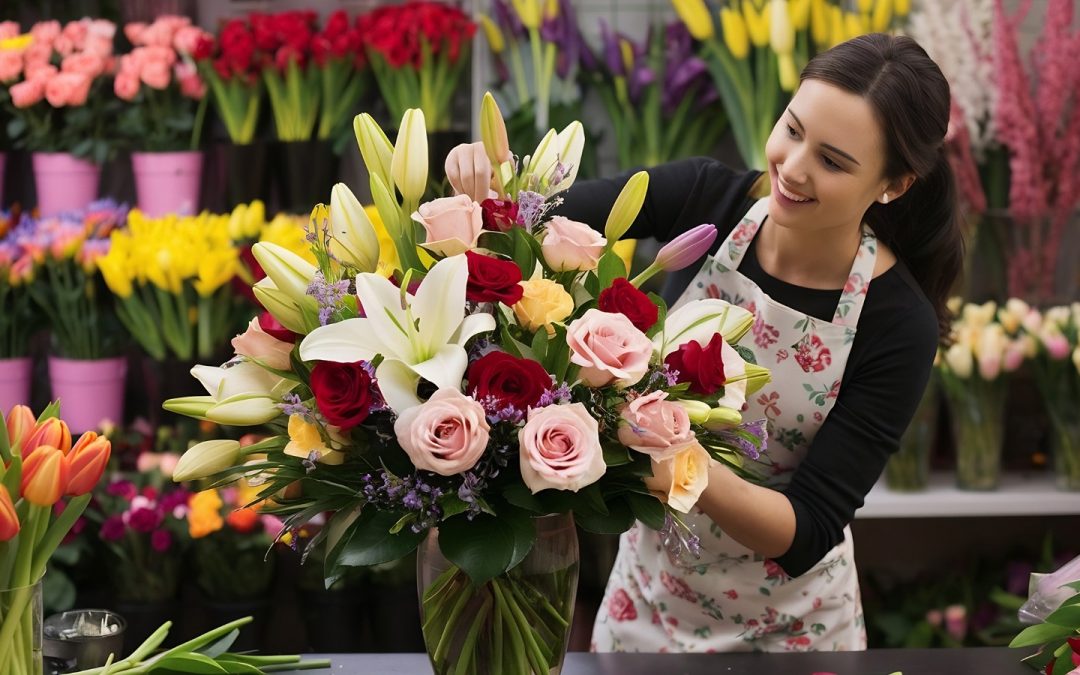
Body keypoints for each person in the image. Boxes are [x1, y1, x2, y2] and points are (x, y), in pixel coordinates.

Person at [445, 33, 963, 652]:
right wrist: (478, 187)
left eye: (833, 161)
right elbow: (528, 219)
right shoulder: (703, 198)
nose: (793, 168)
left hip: (793, 634)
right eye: (792, 130)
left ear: (894, 185)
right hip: (647, 608)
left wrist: (676, 453)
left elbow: (807, 529)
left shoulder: (898, 321)